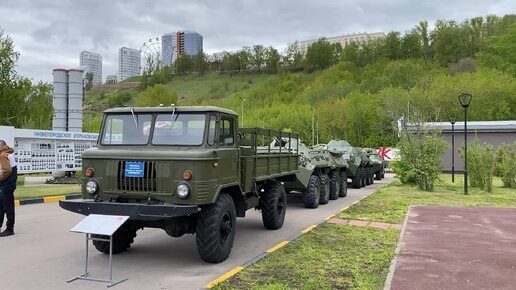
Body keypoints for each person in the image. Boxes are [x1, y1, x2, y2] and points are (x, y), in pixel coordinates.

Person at [0, 140, 17, 237]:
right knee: (4, 206)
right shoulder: (8, 153)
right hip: (9, 184)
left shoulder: (3, 155)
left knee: (6, 207)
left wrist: (1, 178)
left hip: (6, 184)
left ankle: (10, 229)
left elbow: (6, 170)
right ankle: (8, 227)